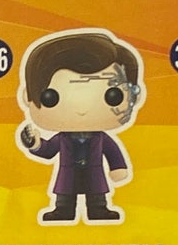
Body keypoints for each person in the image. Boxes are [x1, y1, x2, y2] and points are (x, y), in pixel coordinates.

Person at [17, 29, 143, 224]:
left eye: (112, 96)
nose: (82, 109)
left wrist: (118, 167)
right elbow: (49, 150)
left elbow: (112, 152)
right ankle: (63, 210)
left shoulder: (101, 138)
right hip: (68, 175)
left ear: (135, 96)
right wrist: (35, 144)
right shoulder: (63, 138)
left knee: (97, 195)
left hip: (95, 174)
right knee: (65, 197)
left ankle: (98, 209)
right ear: (28, 97)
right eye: (51, 97)